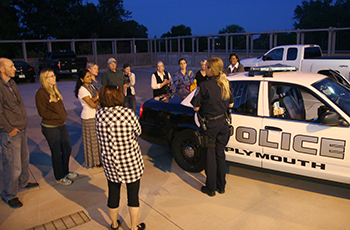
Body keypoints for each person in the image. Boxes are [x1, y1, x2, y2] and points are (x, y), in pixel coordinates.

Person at [95, 85, 145, 230]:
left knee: (113, 193)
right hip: (130, 161)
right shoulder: (127, 113)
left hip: (110, 162)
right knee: (133, 196)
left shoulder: (99, 114)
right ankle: (134, 227)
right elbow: (138, 131)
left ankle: (114, 224)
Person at [191, 57, 234, 197]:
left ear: (211, 69)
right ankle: (221, 186)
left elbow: (196, 106)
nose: (205, 69)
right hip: (223, 124)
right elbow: (231, 104)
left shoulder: (204, 86)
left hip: (210, 125)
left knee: (210, 156)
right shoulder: (225, 83)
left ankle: (211, 188)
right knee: (220, 154)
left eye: (207, 67)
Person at [0, 58, 38, 208]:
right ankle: (9, 194)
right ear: (1, 69)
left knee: (24, 158)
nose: (14, 68)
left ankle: (22, 182)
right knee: (12, 165)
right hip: (11, 132)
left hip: (21, 128)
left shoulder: (11, 83)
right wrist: (9, 129)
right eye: (11, 66)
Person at [35, 69, 78, 186]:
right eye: (51, 76)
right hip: (51, 127)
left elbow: (61, 106)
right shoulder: (41, 93)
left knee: (67, 148)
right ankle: (59, 176)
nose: (54, 78)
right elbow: (43, 112)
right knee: (57, 152)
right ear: (45, 79)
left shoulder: (54, 90)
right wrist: (58, 116)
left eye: (54, 75)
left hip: (61, 125)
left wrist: (63, 114)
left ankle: (65, 171)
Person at [74, 69, 101, 167]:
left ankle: (99, 160)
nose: (90, 78)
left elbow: (94, 99)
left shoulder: (91, 86)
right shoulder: (82, 90)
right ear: (82, 79)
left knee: (97, 140)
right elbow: (92, 104)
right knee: (91, 141)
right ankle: (94, 161)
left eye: (90, 76)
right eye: (87, 76)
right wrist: (97, 97)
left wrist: (96, 98)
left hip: (95, 115)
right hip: (88, 117)